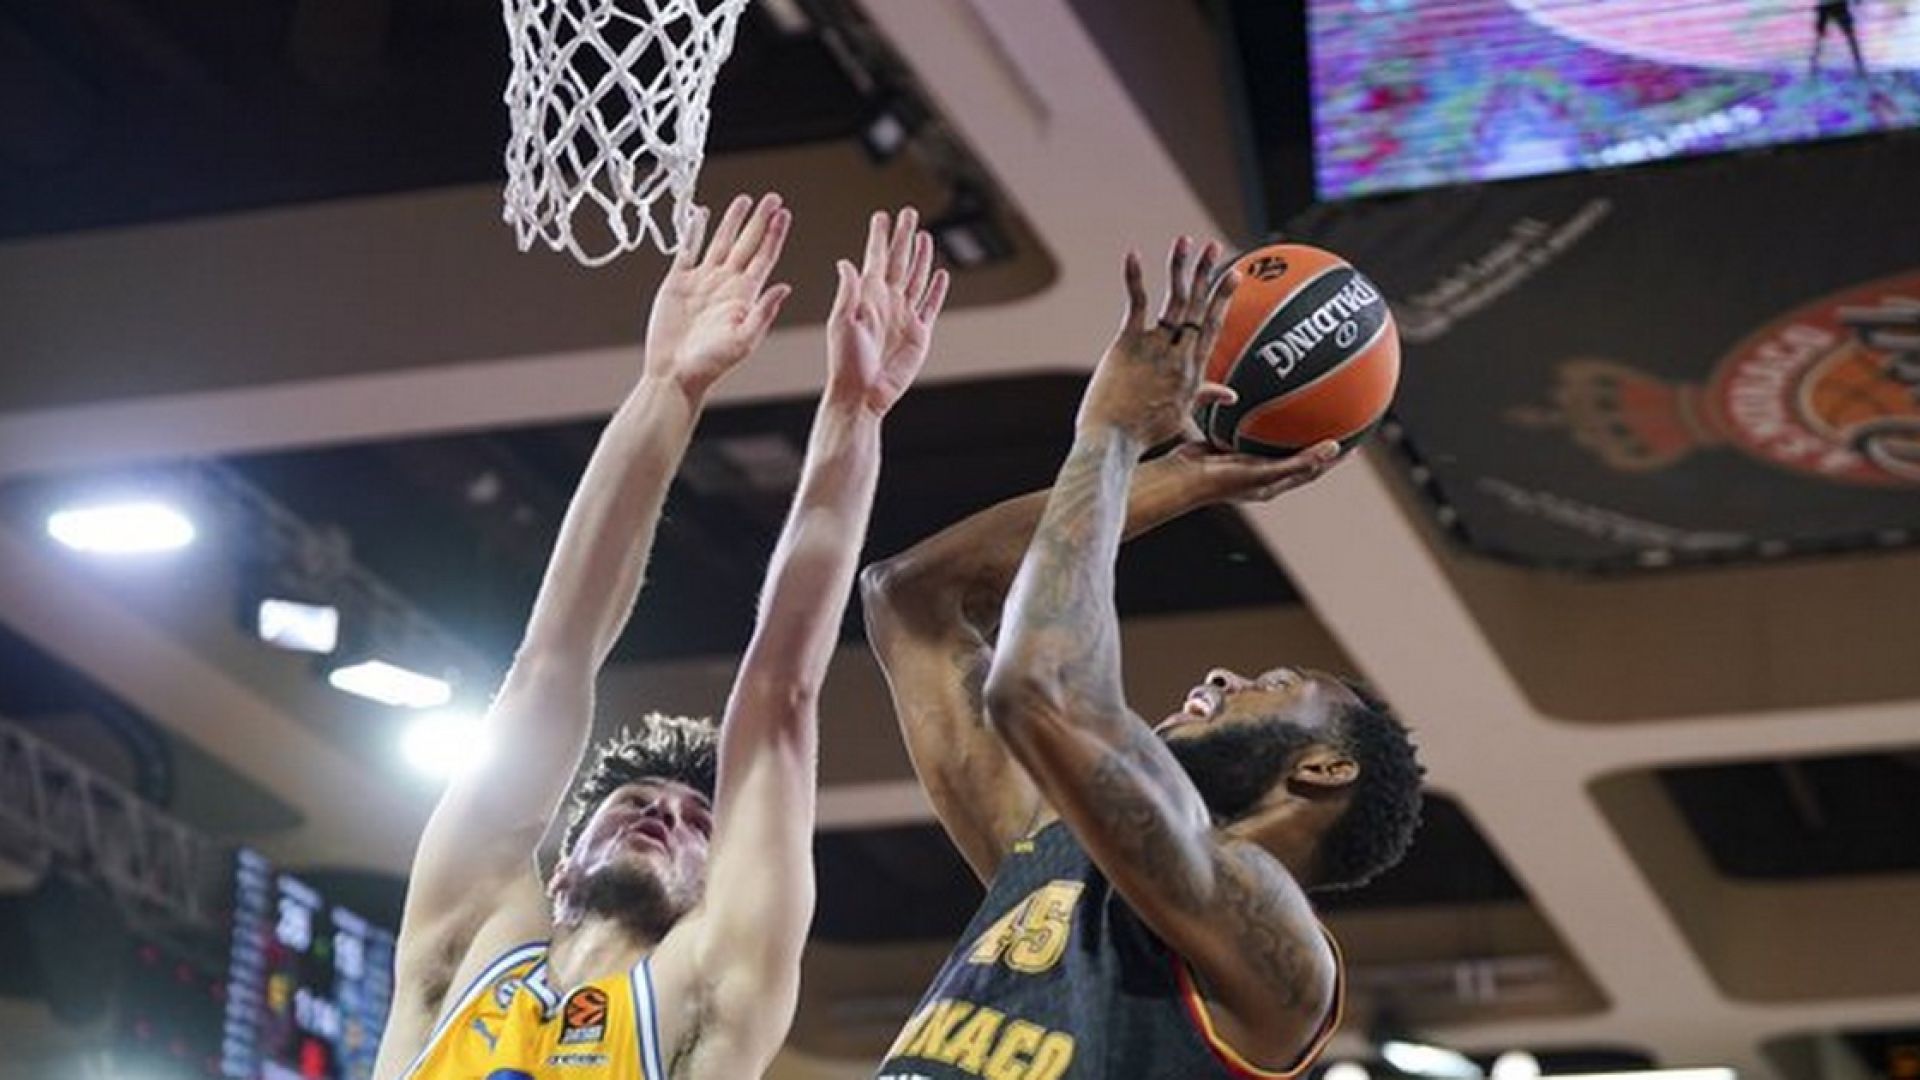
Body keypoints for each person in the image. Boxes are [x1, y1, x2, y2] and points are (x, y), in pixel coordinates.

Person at [372, 196, 949, 1080]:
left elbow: (781, 690)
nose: (661, 814)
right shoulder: (468, 946)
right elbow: (551, 658)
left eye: (696, 822)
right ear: (562, 865)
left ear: (719, 887)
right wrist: (668, 386)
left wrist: (855, 412)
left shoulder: (708, 988)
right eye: (636, 800)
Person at [862, 238, 1423, 1079]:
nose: (1223, 677)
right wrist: (1176, 479)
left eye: (1273, 685)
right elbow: (913, 602)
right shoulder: (1053, 853)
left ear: (1323, 768)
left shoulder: (1288, 958)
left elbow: (1041, 690)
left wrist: (1112, 439)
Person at [1811, 0, 1868, 75]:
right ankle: (1859, 63)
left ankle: (1814, 62)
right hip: (1834, 5)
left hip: (1831, 5)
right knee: (1850, 35)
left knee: (1821, 36)